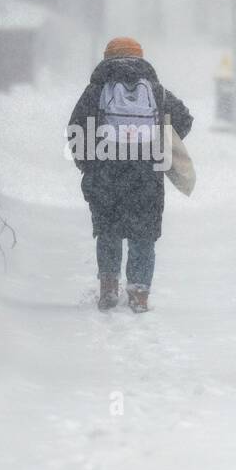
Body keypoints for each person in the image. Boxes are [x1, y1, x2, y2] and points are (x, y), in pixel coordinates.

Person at [68, 37, 192, 312]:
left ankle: (109, 287)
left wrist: (87, 161)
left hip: (106, 171)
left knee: (109, 230)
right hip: (146, 173)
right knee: (143, 233)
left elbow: (76, 126)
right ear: (141, 58)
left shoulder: (97, 89)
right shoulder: (156, 91)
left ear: (107, 58)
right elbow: (184, 118)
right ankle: (139, 293)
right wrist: (161, 143)